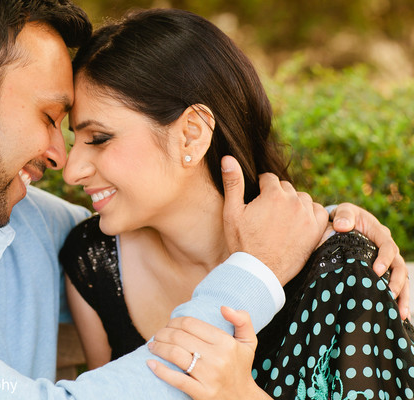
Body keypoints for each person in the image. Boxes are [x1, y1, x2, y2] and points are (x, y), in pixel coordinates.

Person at [0, 1, 361, 399]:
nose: (62, 158)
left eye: (86, 134)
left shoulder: (22, 225)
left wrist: (335, 227)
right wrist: (256, 273)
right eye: (51, 117)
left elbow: (170, 221)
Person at [59, 8, 414, 399]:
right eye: (76, 141)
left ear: (191, 135)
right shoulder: (95, 261)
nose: (71, 171)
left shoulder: (342, 271)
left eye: (98, 138)